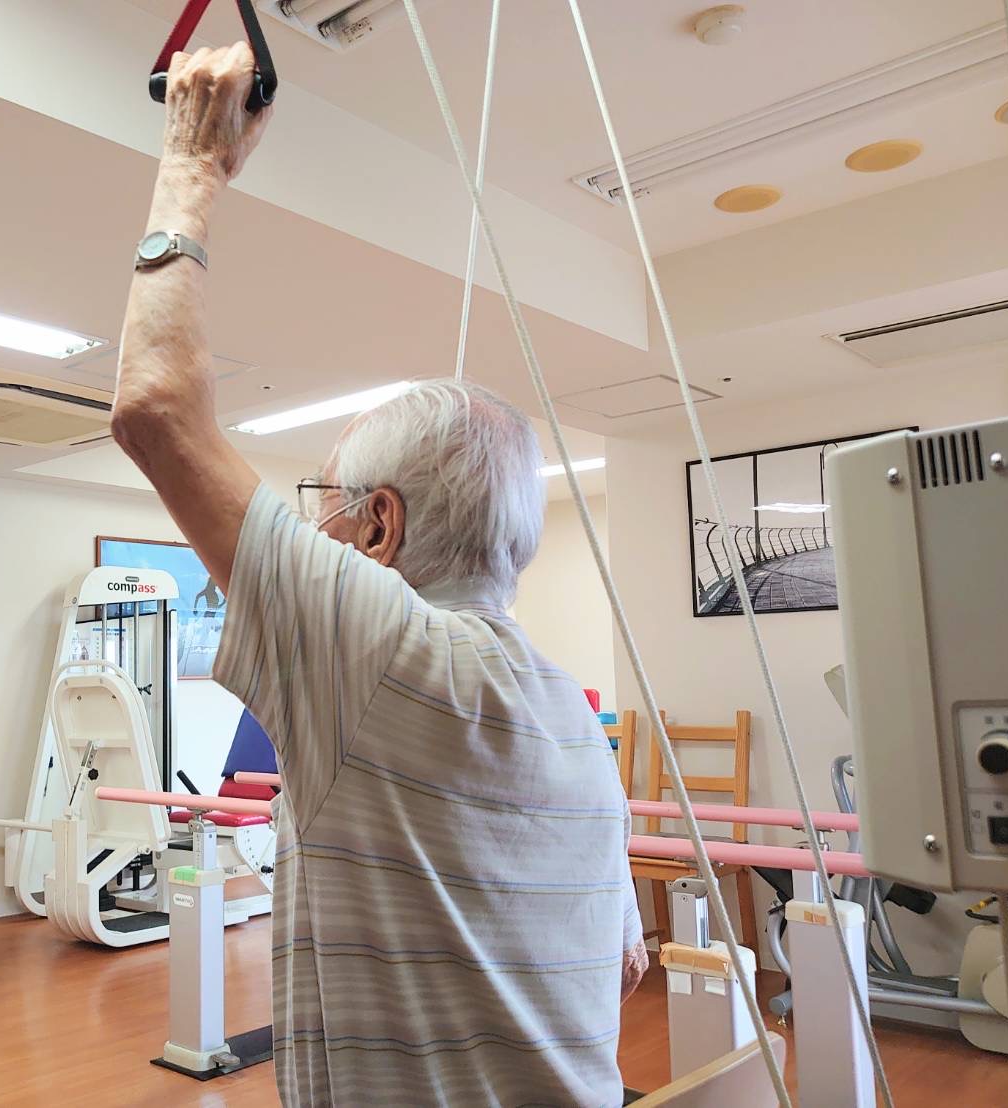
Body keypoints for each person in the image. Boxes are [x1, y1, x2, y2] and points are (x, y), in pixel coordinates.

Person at [112, 41, 646, 1107]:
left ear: (377, 528)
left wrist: (192, 165)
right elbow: (623, 960)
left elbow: (154, 407)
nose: (312, 521)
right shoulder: (569, 717)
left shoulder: (385, 653)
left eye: (325, 501)